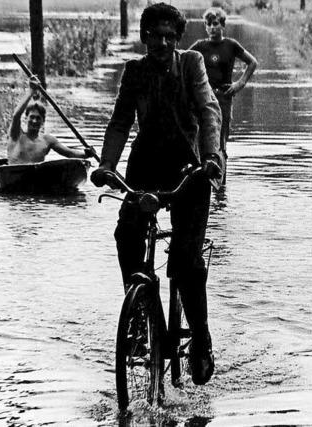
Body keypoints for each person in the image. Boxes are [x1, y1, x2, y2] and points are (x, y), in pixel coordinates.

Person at [91, 2, 223, 385]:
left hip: (192, 169)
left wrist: (212, 156)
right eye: (155, 36)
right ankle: (139, 316)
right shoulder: (134, 72)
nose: (162, 42)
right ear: (144, 37)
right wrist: (107, 166)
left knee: (185, 260)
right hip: (146, 167)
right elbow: (119, 122)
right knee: (126, 233)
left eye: (170, 36)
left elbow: (209, 110)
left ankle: (200, 336)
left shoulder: (192, 64)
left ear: (178, 39)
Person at [189, 7, 258, 183]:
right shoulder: (199, 46)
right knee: (200, 136)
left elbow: (252, 62)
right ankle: (201, 178)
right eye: (208, 24)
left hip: (224, 98)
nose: (212, 28)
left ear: (223, 25)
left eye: (215, 24)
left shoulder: (231, 45)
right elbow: (183, 62)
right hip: (203, 98)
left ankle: (220, 184)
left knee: (221, 140)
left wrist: (239, 83)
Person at [8, 79, 94, 164]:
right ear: (26, 118)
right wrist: (31, 91)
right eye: (32, 117)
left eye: (38, 118)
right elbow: (16, 116)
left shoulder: (47, 141)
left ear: (43, 121)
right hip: (14, 175)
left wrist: (86, 155)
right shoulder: (17, 134)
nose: (34, 121)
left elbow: (69, 153)